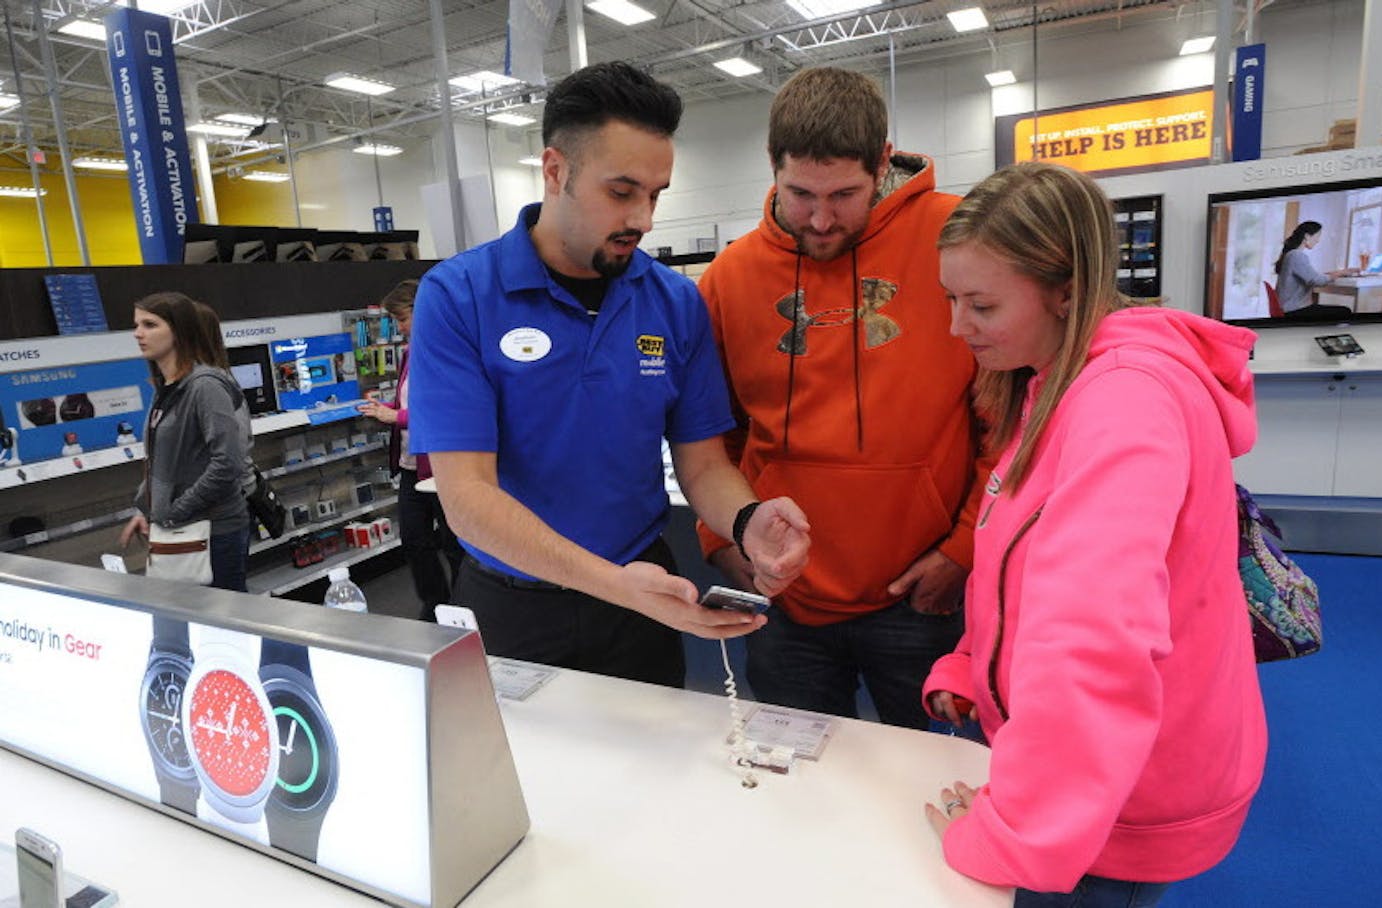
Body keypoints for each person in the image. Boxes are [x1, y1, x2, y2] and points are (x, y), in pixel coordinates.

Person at [920, 162, 1267, 906]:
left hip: (1113, 802)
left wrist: (1016, 834)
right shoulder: (1055, 381)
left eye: (980, 304)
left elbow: (1093, 637)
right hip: (1095, 782)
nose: (957, 327)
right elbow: (1024, 563)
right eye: (951, 299)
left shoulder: (1122, 401)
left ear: (1067, 290)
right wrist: (975, 665)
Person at [407, 61, 811, 688]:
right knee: (518, 783)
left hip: (642, 603)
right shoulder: (459, 297)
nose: (644, 219)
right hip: (515, 605)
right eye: (622, 192)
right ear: (555, 170)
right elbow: (469, 499)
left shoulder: (674, 303)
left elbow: (703, 465)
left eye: (656, 195)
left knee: (649, 774)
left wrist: (746, 520)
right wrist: (615, 585)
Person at [695, 66, 985, 729]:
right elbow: (711, 438)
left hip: (920, 592)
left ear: (883, 163)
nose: (822, 220)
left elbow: (1004, 417)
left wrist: (964, 548)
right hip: (785, 601)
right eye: (800, 194)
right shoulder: (729, 279)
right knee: (804, 792)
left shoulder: (957, 239)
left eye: (844, 195)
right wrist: (723, 538)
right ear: (772, 167)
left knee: (931, 786)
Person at [120, 293, 254, 593]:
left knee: (223, 625)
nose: (138, 333)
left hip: (212, 532)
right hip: (180, 531)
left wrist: (171, 512)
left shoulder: (205, 386)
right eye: (137, 324)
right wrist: (147, 508)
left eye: (150, 324)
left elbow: (227, 463)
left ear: (178, 330)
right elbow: (163, 462)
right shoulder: (167, 389)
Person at [357, 278, 465, 622]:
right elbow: (408, 401)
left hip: (440, 468)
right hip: (409, 465)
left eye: (402, 318)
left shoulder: (449, 351)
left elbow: (446, 409)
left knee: (454, 543)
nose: (399, 327)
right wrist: (384, 408)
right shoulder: (409, 353)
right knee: (415, 541)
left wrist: (397, 416)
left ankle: (465, 607)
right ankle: (435, 605)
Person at [1273, 220, 1357, 318]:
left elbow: (1312, 275)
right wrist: (1341, 273)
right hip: (1295, 311)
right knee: (1345, 311)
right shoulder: (1296, 255)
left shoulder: (1291, 254)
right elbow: (1316, 280)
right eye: (1317, 236)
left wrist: (1340, 272)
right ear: (1307, 236)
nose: (1318, 240)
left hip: (1289, 308)